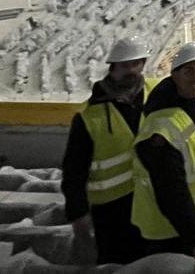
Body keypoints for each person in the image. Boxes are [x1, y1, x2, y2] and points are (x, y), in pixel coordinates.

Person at [62, 36, 156, 265]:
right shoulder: (88, 118)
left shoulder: (157, 94)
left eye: (137, 64)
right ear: (112, 68)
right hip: (113, 215)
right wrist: (80, 224)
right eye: (125, 66)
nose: (132, 71)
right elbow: (73, 174)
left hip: (153, 204)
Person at [131, 41, 195, 274]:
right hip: (170, 229)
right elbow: (171, 191)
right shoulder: (161, 127)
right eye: (188, 71)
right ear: (174, 75)